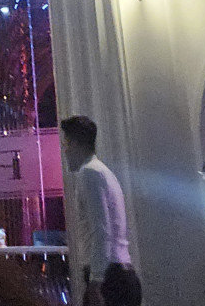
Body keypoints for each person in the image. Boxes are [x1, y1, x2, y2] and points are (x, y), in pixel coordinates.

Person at [59, 115, 141, 306]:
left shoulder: (90, 173)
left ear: (75, 144)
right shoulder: (103, 172)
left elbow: (101, 229)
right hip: (119, 274)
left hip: (110, 280)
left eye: (66, 145)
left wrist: (96, 280)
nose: (65, 152)